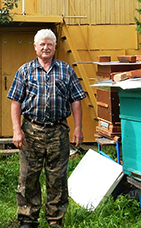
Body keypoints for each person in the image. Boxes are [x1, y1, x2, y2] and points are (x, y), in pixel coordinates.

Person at [7, 29, 86, 228]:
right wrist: (17, 130)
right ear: (35, 47)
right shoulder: (24, 71)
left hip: (58, 132)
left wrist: (78, 128)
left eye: (49, 44)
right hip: (31, 131)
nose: (46, 47)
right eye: (42, 44)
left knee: (57, 179)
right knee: (28, 177)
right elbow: (15, 102)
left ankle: (55, 219)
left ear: (55, 46)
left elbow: (76, 100)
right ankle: (28, 218)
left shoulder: (66, 70)